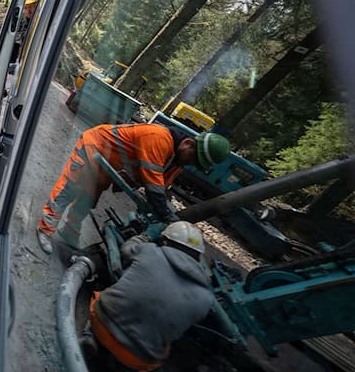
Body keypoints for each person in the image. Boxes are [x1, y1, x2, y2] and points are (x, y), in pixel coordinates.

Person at [37, 122, 230, 254]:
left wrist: (166, 210)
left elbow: (162, 190)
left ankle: (69, 232)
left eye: (196, 164)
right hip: (95, 147)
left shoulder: (177, 161)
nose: (191, 164)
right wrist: (168, 217)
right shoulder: (159, 138)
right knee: (70, 189)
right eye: (193, 159)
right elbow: (153, 188)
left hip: (109, 163)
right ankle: (45, 229)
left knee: (88, 197)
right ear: (187, 143)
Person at [82, 221, 215, 371]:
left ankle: (89, 335)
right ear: (197, 256)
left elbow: (126, 249)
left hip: (101, 325)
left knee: (104, 295)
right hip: (136, 358)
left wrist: (146, 236)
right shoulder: (205, 299)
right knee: (165, 346)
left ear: (165, 241)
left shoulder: (150, 251)